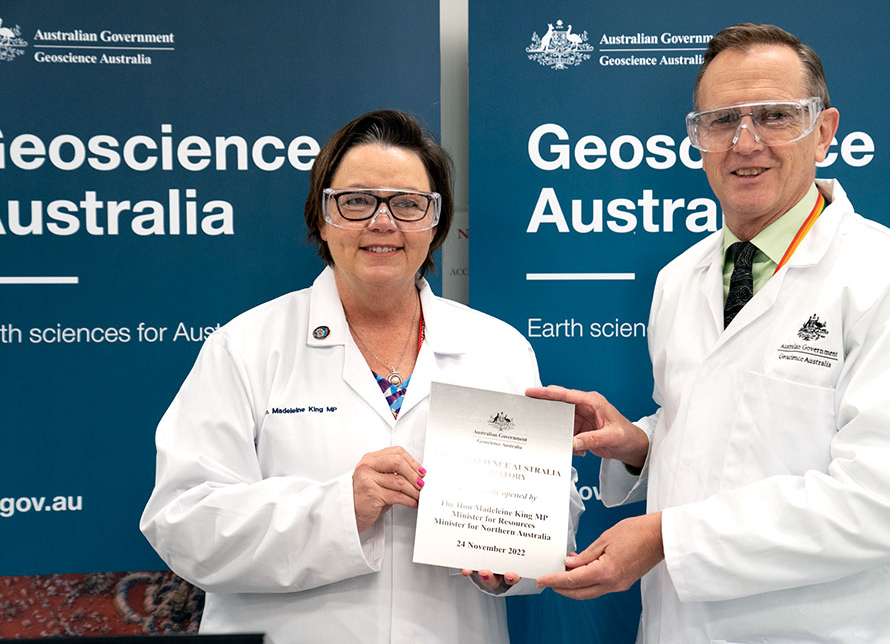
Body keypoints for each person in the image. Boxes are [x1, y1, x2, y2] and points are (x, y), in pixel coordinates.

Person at [532, 23, 890, 643]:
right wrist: (639, 445)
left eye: (774, 116)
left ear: (824, 131)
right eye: (720, 120)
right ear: (697, 138)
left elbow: (885, 505)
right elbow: (724, 433)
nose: (745, 142)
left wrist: (667, 536)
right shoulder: (680, 278)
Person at [140, 109, 583, 644]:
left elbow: (551, 518)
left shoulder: (498, 348)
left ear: (436, 223)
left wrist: (510, 567)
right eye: (355, 201)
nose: (382, 222)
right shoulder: (247, 346)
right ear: (322, 219)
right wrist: (338, 508)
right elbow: (182, 522)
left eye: (407, 204)